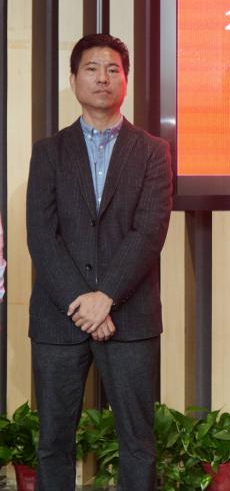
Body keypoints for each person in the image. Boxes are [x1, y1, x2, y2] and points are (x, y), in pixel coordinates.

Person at [27, 33, 173, 490]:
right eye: (92, 68)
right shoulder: (48, 151)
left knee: (138, 442)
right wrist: (82, 301)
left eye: (113, 69)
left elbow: (149, 230)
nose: (103, 78)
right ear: (74, 80)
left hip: (129, 316)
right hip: (58, 318)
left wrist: (106, 296)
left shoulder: (152, 151)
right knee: (53, 442)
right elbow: (41, 234)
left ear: (125, 80)